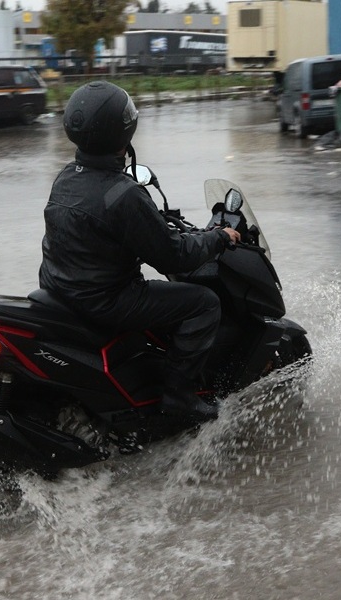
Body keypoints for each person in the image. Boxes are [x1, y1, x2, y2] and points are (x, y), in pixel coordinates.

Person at [38, 81, 240, 422]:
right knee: (203, 304)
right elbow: (173, 257)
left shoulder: (67, 176)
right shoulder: (123, 195)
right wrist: (218, 237)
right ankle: (179, 397)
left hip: (60, 290)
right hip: (106, 301)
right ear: (122, 131)